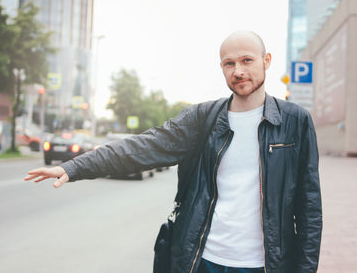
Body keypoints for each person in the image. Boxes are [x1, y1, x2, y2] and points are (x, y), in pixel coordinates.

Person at [25, 31, 322, 273]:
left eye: (247, 60)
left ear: (266, 61)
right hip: (202, 260)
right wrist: (74, 167)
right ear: (221, 67)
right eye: (229, 63)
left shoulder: (294, 121)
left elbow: (308, 208)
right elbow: (142, 147)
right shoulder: (202, 119)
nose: (238, 71)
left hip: (266, 265)